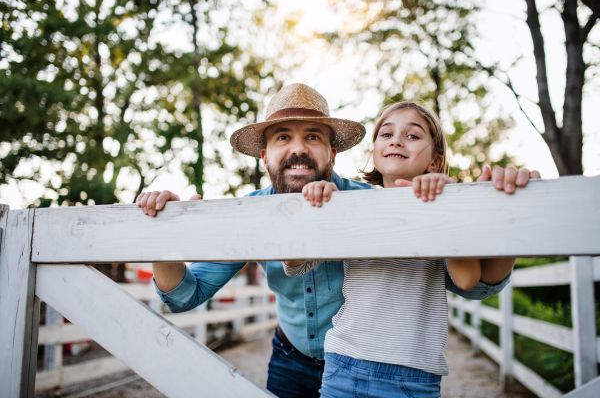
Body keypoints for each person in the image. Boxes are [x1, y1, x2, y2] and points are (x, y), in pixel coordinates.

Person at [135, 84, 539, 398]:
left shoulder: (377, 203)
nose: (298, 149)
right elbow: (184, 295)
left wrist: (507, 214)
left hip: (370, 365)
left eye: (312, 136)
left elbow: (464, 281)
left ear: (332, 151)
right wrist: (161, 235)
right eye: (282, 138)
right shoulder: (249, 214)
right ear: (264, 156)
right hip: (291, 359)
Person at [286, 101, 539, 398]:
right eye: (386, 134)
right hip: (344, 363)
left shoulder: (441, 207)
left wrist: (444, 210)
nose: (396, 140)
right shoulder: (351, 204)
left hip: (414, 375)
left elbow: (468, 279)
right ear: (374, 153)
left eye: (413, 136)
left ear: (434, 161)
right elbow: (295, 263)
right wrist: (320, 204)